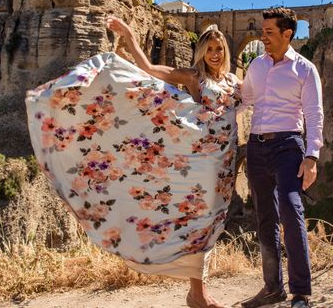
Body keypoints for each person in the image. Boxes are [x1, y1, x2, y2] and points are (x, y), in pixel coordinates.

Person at [25, 15, 242, 308]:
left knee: (213, 221)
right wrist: (128, 33)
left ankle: (196, 293)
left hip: (225, 162)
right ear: (202, 52)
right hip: (200, 160)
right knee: (198, 221)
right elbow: (149, 69)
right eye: (210, 49)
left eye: (220, 49)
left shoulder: (234, 81)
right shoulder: (193, 77)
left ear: (226, 53)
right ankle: (198, 293)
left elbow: (258, 100)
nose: (215, 54)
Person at [240, 8, 323, 308]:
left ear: (287, 34)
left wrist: (311, 156)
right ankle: (272, 288)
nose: (263, 37)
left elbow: (314, 114)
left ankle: (300, 293)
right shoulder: (256, 66)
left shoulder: (305, 69)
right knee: (265, 218)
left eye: (269, 32)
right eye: (262, 32)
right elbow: (245, 100)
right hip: (255, 146)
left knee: (291, 210)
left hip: (288, 145)